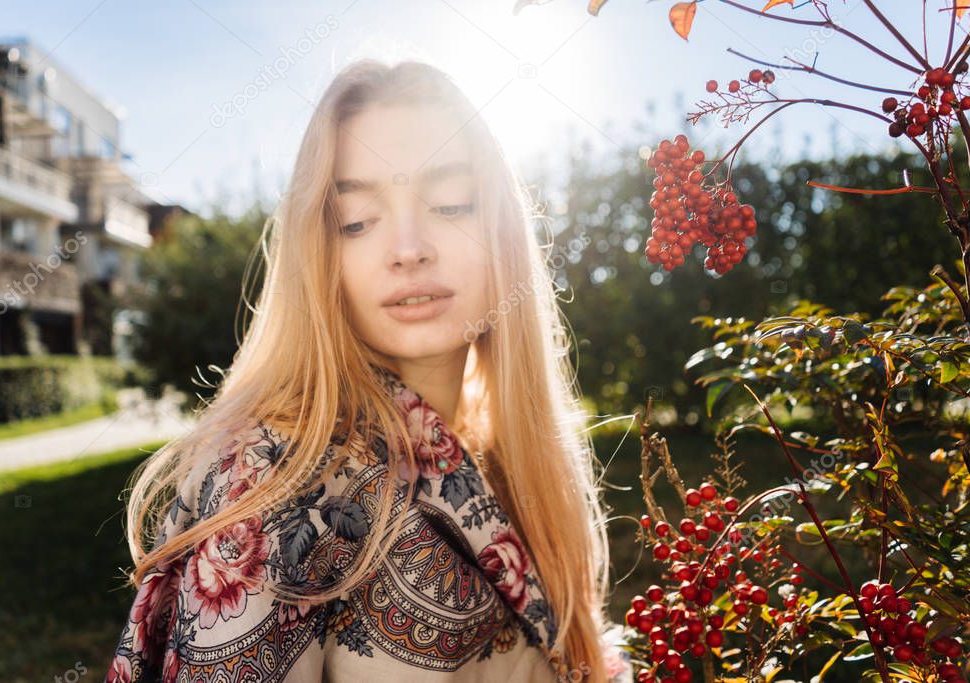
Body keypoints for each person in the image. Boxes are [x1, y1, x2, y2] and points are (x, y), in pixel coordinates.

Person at [105, 58, 632, 683]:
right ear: (320, 253)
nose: (409, 248)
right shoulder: (271, 483)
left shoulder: (511, 459)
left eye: (451, 204)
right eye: (356, 221)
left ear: (504, 232)